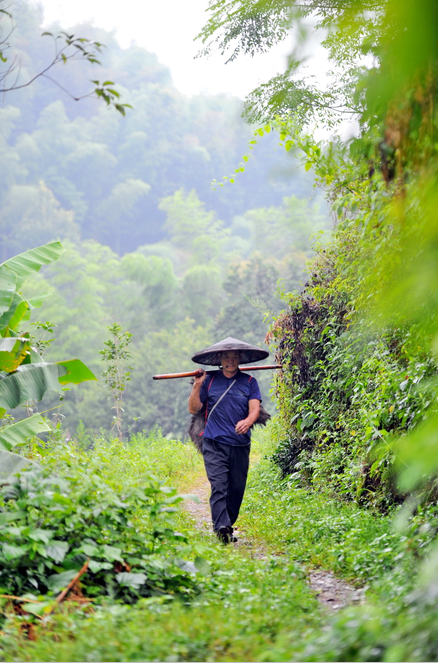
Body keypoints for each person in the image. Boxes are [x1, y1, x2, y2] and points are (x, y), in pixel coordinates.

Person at [188, 347, 263, 543]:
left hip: (239, 445)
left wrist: (247, 421)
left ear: (240, 358)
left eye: (234, 357)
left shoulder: (249, 382)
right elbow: (193, 408)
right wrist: (197, 385)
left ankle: (227, 524)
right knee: (219, 485)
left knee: (236, 488)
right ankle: (220, 527)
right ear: (219, 359)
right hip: (213, 442)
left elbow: (254, 409)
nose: (230, 360)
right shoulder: (210, 381)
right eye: (226, 357)